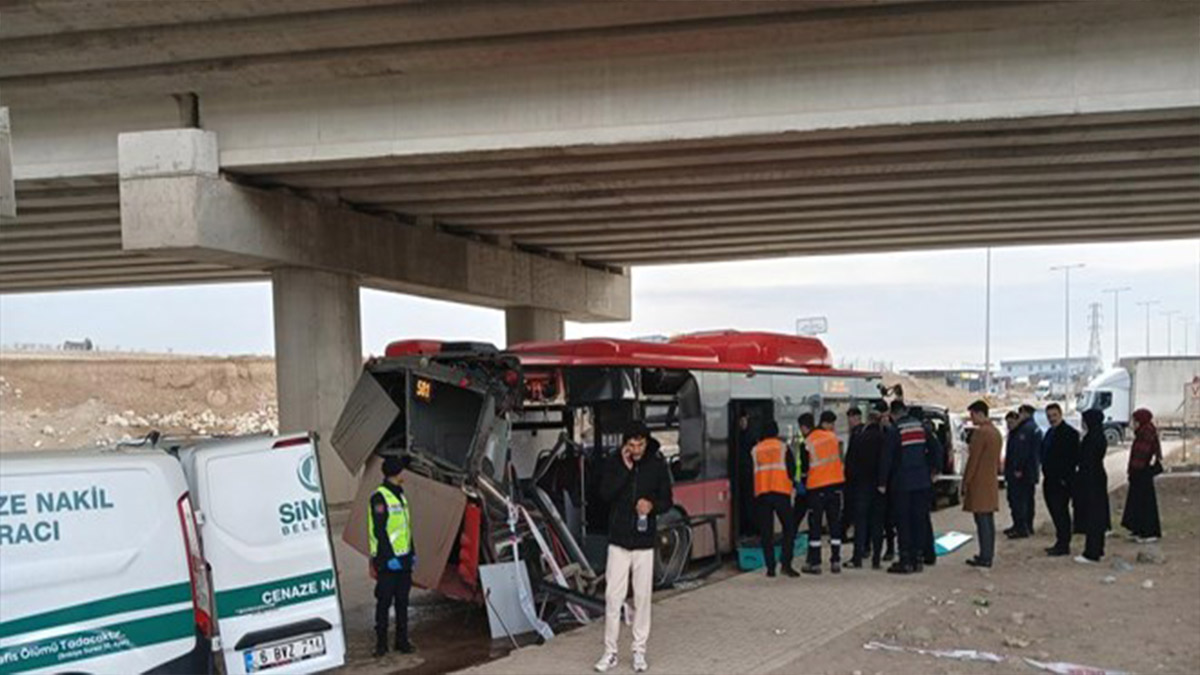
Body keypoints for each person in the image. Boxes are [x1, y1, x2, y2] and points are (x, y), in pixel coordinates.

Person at [595, 422, 673, 674]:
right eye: (631, 445)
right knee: (612, 597)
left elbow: (668, 500)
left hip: (643, 542)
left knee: (642, 597)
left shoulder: (657, 465)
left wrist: (652, 506)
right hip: (618, 541)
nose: (636, 449)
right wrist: (626, 471)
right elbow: (604, 495)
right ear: (624, 443)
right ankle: (610, 652)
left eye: (640, 444)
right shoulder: (614, 462)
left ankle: (639, 651)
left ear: (646, 442)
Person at [881, 400, 936, 574]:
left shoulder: (895, 430)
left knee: (903, 522)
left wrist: (882, 482)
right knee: (919, 520)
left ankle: (905, 560)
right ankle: (918, 558)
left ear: (893, 413)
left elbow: (887, 458)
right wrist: (933, 470)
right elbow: (937, 449)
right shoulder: (921, 427)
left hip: (902, 483)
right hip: (921, 482)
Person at [370, 455, 416, 657]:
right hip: (388, 561)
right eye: (402, 471)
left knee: (402, 602)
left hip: (403, 559)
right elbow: (380, 531)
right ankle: (381, 644)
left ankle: (402, 641)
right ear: (396, 474)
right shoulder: (379, 498)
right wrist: (389, 558)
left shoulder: (401, 495)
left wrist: (412, 552)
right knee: (384, 601)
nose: (404, 474)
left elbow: (406, 527)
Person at [799, 411, 847, 574]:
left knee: (815, 526)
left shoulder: (808, 441)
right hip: (835, 487)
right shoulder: (833, 439)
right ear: (825, 423)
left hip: (816, 488)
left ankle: (815, 563)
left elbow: (805, 470)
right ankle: (835, 561)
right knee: (834, 525)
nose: (833, 427)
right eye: (831, 424)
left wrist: (803, 487)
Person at [751, 420, 800, 578]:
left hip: (763, 494)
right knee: (789, 528)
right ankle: (786, 564)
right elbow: (791, 470)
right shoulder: (783, 448)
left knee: (767, 532)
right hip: (781, 493)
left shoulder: (755, 450)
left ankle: (770, 568)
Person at [845, 404, 887, 569]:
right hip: (880, 488)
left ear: (868, 421)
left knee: (860, 523)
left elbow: (851, 463)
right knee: (877, 524)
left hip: (862, 486)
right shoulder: (885, 439)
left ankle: (857, 558)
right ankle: (876, 559)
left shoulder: (859, 438)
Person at [962, 400, 1002, 568]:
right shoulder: (995, 432)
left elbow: (973, 460)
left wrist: (966, 481)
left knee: (982, 521)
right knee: (988, 521)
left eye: (972, 415)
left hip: (979, 482)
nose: (971, 419)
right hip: (990, 481)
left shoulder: (981, 434)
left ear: (979, 413)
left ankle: (985, 556)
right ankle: (988, 553)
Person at [1042, 403, 1080, 556]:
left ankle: (1064, 544)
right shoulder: (1050, 432)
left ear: (1061, 414)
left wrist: (1064, 478)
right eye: (1049, 416)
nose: (1052, 419)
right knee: (1055, 512)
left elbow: (1073, 458)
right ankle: (1060, 541)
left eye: (1054, 415)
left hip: (1061, 481)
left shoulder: (1070, 433)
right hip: (1050, 479)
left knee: (1061, 512)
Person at [1121, 408, 1163, 544]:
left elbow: (1143, 453)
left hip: (1143, 472)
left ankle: (1148, 531)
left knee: (1145, 503)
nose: (1133, 423)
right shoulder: (1143, 432)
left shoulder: (1146, 433)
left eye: (1135, 420)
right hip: (1140, 472)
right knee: (1137, 502)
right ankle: (1138, 529)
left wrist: (1134, 469)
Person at [1075, 408, 1111, 563]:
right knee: (1096, 514)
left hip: (1091, 479)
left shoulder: (1092, 438)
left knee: (1093, 515)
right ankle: (1098, 548)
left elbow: (1086, 460)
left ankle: (1092, 552)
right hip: (1096, 477)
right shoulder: (1098, 435)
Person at [1004, 404, 1042, 539]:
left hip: (1021, 473)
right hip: (1030, 471)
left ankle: (1022, 527)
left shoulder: (1025, 429)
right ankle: (1024, 526)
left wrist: (1018, 468)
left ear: (1025, 413)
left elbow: (1022, 452)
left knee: (1019, 500)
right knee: (1026, 500)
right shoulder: (1034, 428)